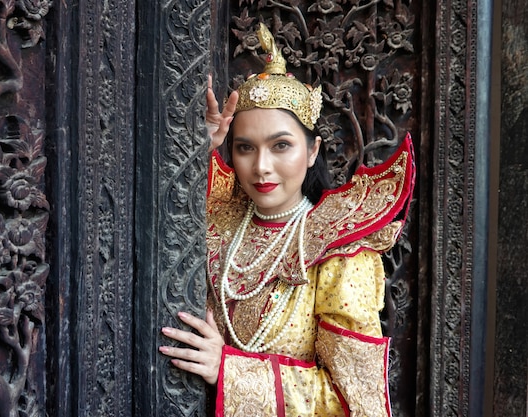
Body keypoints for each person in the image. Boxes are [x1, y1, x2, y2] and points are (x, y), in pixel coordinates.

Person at [159, 23, 415, 417]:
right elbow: (161, 213)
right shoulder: (218, 216)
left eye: (281, 146)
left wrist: (229, 371)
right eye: (244, 148)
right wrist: (202, 148)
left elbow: (356, 403)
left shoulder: (339, 252)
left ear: (312, 151)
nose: (261, 167)